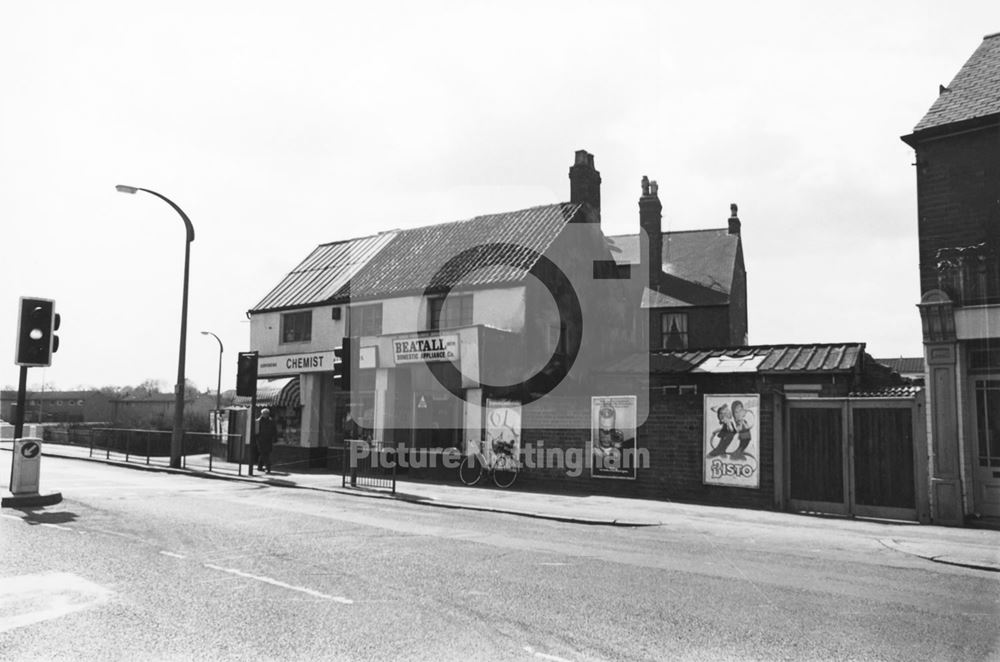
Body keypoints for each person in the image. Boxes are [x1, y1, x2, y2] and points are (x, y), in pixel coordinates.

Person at [256, 408, 278, 474]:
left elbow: (274, 430)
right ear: (262, 414)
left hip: (268, 440)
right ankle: (268, 468)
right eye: (264, 413)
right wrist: (257, 439)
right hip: (261, 440)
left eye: (267, 413)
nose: (266, 415)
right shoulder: (258, 421)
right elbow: (256, 431)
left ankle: (259, 467)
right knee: (264, 454)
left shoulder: (271, 421)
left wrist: (274, 438)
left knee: (266, 453)